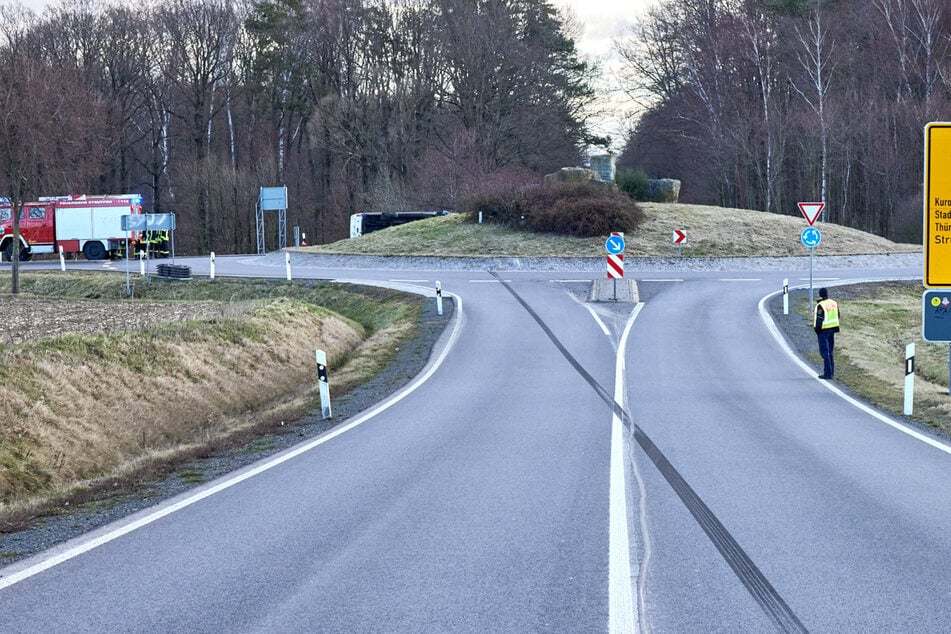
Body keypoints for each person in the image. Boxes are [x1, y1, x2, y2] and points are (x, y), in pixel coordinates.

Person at [814, 287, 840, 379]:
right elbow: (838, 315)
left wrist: (817, 330)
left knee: (824, 352)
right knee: (830, 351)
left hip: (823, 330)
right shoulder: (834, 303)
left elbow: (819, 319)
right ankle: (831, 371)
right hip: (832, 329)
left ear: (820, 294)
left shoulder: (821, 305)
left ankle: (827, 373)